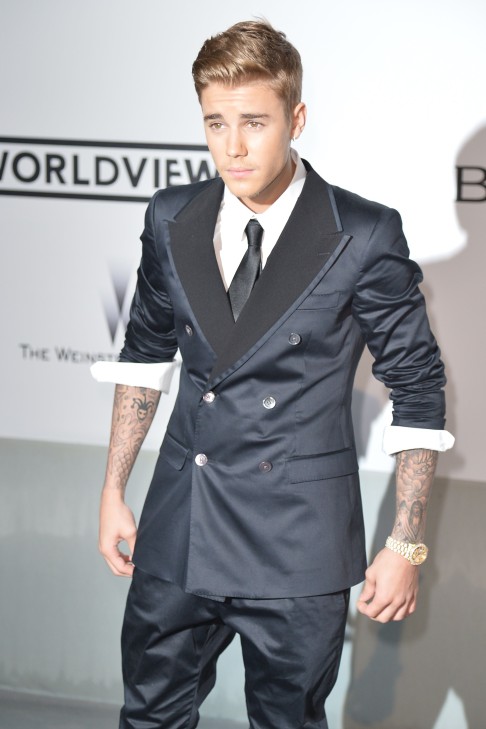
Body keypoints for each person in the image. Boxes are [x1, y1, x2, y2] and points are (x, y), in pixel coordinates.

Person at [92, 19, 453, 729]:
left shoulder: (362, 232)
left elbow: (417, 389)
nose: (233, 146)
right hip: (179, 528)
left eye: (254, 122)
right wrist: (112, 489)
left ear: (297, 118)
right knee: (148, 718)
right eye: (215, 122)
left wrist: (406, 544)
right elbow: (144, 353)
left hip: (296, 544)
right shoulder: (173, 218)